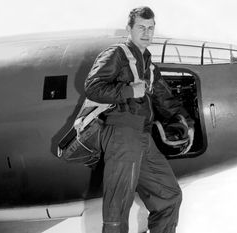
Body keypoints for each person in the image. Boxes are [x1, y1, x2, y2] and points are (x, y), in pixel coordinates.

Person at [84, 6, 194, 233]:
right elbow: (93, 88)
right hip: (121, 132)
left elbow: (165, 100)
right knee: (118, 207)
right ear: (129, 29)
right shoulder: (117, 54)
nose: (146, 32)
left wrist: (186, 122)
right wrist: (128, 91)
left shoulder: (148, 65)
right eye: (141, 27)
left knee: (169, 196)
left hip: (143, 137)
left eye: (150, 28)